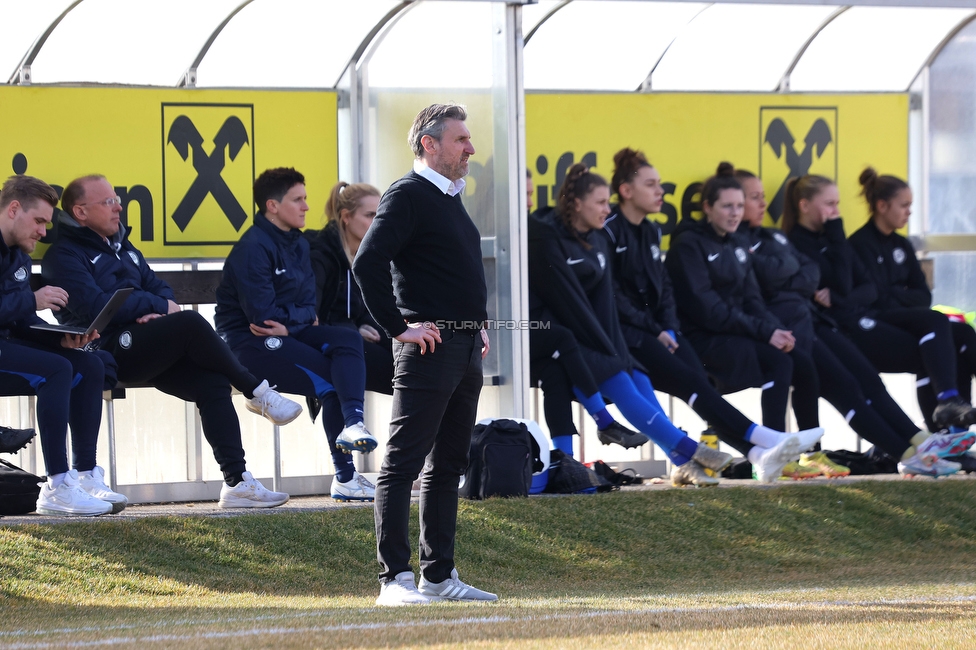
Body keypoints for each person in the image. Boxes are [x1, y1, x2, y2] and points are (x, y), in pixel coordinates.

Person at [42, 174, 301, 508]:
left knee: (212, 383)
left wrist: (155, 309)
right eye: (107, 201)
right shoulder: (64, 256)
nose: (118, 206)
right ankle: (257, 391)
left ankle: (238, 484)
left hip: (145, 346)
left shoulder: (125, 248)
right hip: (104, 348)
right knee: (190, 322)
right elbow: (96, 307)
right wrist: (153, 307)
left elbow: (160, 288)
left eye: (117, 199)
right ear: (80, 212)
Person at [353, 103, 497, 606]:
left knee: (449, 462)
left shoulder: (449, 197)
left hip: (463, 347)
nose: (470, 149)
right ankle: (394, 580)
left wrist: (475, 322)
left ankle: (438, 576)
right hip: (428, 350)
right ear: (428, 144)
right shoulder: (408, 194)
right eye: (461, 139)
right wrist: (399, 328)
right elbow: (367, 265)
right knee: (402, 464)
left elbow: (449, 270)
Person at [737, 168, 971, 478]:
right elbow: (785, 279)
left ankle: (922, 443)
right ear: (805, 205)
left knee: (875, 380)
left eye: (761, 197)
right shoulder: (781, 240)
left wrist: (823, 266)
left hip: (819, 323)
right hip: (807, 328)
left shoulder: (776, 237)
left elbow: (848, 285)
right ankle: (909, 448)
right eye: (830, 205)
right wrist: (807, 278)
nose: (836, 212)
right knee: (846, 386)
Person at [604, 149, 819, 485]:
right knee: (690, 385)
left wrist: (669, 328)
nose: (660, 191)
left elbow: (663, 289)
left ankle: (759, 453)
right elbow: (613, 296)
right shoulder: (611, 230)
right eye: (651, 184)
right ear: (627, 191)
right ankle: (765, 442)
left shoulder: (649, 230)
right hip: (625, 335)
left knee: (699, 386)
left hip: (659, 332)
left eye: (660, 183)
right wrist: (657, 329)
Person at [529, 162, 737, 485]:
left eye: (607, 202)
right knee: (619, 377)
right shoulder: (550, 238)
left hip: (592, 337)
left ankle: (681, 461)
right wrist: (609, 351)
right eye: (600, 203)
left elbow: (604, 304)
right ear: (577, 203)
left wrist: (616, 349)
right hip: (556, 337)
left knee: (636, 374)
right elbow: (567, 305)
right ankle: (689, 449)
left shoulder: (596, 241)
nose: (606, 210)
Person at [216, 168, 378, 503]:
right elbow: (262, 317)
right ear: (273, 206)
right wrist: (295, 321)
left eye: (305, 198)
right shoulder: (253, 247)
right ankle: (346, 477)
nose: (307, 206)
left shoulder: (299, 244)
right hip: (249, 344)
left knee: (348, 339)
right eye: (298, 199)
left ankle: (354, 425)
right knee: (331, 381)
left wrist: (292, 324)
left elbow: (309, 307)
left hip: (289, 333)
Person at [665, 163, 823, 481]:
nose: (735, 213)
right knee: (777, 361)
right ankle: (776, 451)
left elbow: (752, 298)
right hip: (701, 339)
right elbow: (708, 310)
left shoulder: (737, 242)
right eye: (727, 206)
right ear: (707, 207)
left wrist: (775, 329)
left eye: (739, 206)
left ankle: (811, 454)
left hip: (735, 332)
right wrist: (766, 332)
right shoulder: (689, 245)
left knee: (801, 361)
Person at [0, 174, 120, 516]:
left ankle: (84, 477)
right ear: (13, 209)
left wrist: (63, 337)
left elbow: (21, 323)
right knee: (56, 369)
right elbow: (24, 307)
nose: (42, 232)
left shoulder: (19, 254)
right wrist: (32, 301)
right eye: (38, 221)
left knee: (87, 362)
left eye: (46, 224)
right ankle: (57, 486)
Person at [850, 168, 976, 424]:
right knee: (935, 323)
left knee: (962, 334)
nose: (909, 211)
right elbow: (874, 299)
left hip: (904, 319)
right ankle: (946, 401)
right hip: (874, 325)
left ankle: (955, 431)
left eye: (911, 205)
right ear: (882, 206)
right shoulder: (859, 245)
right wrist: (900, 295)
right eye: (904, 205)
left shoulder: (902, 245)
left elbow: (922, 296)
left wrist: (894, 294)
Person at [304, 181, 393, 396]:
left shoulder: (365, 256)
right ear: (346, 217)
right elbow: (310, 317)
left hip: (351, 337)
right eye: (370, 215)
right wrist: (355, 331)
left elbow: (364, 312)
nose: (377, 222)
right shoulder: (321, 254)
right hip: (327, 344)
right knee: (406, 374)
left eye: (380, 215)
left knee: (414, 355)